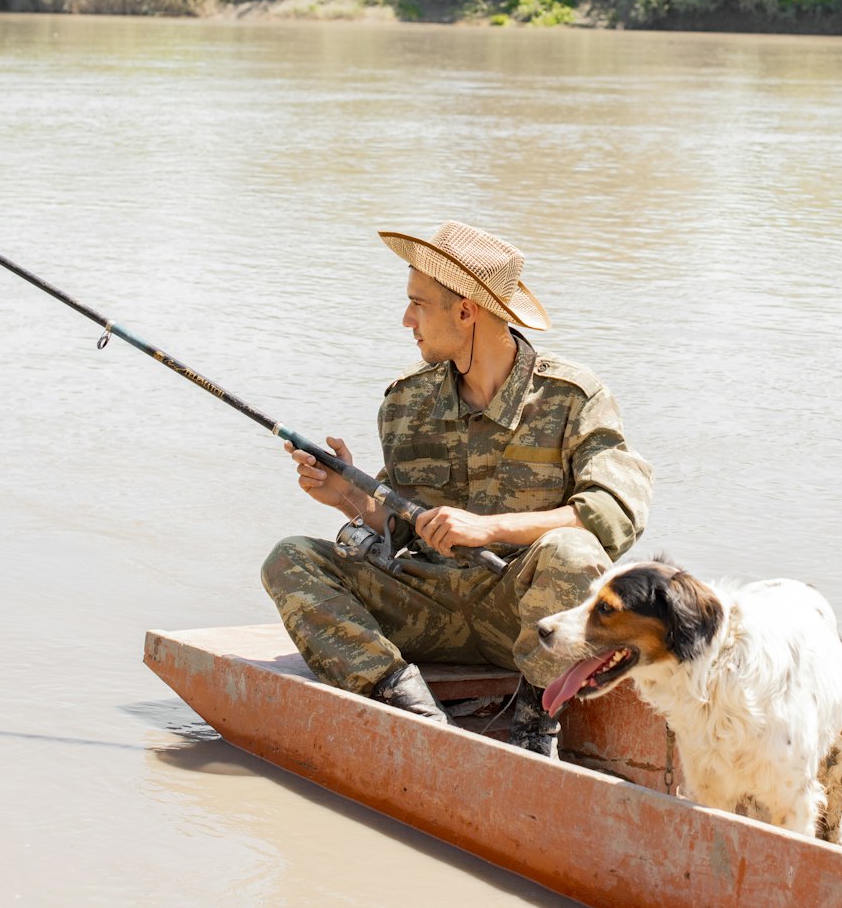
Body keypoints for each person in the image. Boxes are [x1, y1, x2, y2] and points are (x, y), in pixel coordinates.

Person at [262, 221, 654, 755]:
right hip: (425, 604)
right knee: (290, 558)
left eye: (418, 304)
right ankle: (407, 704)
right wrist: (347, 497)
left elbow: (615, 512)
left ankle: (536, 722)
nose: (406, 321)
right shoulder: (405, 401)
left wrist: (488, 528)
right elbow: (401, 526)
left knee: (573, 550)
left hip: (521, 618)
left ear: (466, 311)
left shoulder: (574, 398)